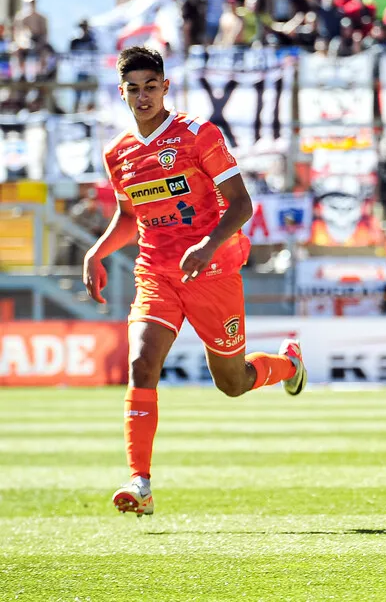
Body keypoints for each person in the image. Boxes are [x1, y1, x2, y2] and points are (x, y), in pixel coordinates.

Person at [83, 46, 307, 519]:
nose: (143, 97)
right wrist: (97, 251)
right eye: (133, 89)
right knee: (143, 365)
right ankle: (140, 482)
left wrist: (207, 245)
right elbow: (129, 215)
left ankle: (287, 364)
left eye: (151, 86)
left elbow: (241, 205)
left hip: (214, 272)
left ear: (165, 87)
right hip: (155, 273)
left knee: (232, 382)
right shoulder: (118, 152)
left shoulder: (197, 135)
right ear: (121, 92)